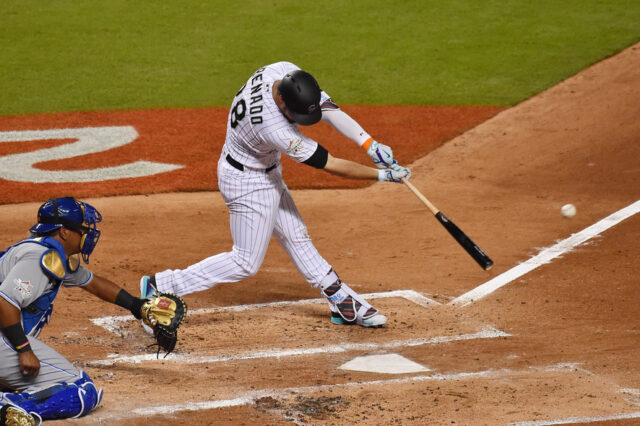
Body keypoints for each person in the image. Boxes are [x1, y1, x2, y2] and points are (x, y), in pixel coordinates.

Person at [140, 61, 411, 328]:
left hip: (263, 170)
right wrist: (382, 176)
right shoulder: (274, 127)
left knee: (297, 235)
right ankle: (161, 285)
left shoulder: (279, 72)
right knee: (245, 262)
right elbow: (331, 164)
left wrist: (369, 143)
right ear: (282, 102)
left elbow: (326, 107)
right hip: (247, 182)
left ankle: (341, 301)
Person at [0, 197, 153, 424]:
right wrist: (24, 350)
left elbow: (92, 283)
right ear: (63, 232)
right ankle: (7, 409)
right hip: (5, 339)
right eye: (82, 229)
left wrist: (136, 306)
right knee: (80, 390)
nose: (87, 234)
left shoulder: (47, 253)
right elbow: (5, 303)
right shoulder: (39, 258)